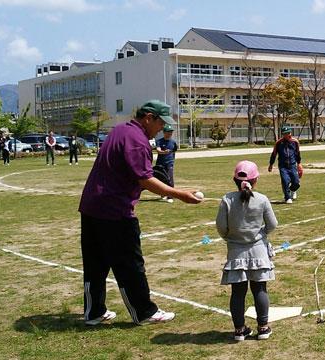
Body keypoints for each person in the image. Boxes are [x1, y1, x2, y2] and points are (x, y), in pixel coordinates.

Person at [78, 99, 202, 327]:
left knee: (95, 264)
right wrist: (179, 194)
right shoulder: (137, 139)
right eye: (160, 123)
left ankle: (94, 312)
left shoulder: (120, 130)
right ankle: (144, 312)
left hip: (91, 207)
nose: (162, 128)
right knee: (130, 263)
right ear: (148, 118)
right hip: (114, 210)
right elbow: (144, 179)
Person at [216, 160, 278, 341]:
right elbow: (272, 224)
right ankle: (263, 327)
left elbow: (221, 227)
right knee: (260, 289)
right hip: (258, 250)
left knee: (238, 292)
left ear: (234, 180)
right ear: (256, 179)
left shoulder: (227, 199)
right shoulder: (262, 199)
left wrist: (231, 237)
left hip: (236, 251)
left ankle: (239, 330)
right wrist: (261, 234)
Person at [268, 125, 301, 204]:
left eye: (288, 133)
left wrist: (299, 163)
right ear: (282, 134)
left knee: (296, 182)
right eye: (285, 133)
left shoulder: (295, 142)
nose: (287, 135)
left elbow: (298, 153)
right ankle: (287, 197)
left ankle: (293, 190)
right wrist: (271, 164)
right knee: (285, 181)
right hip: (283, 166)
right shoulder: (278, 143)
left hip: (292, 165)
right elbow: (274, 154)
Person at [155, 124, 178, 203]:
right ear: (164, 132)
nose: (169, 133)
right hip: (160, 164)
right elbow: (158, 150)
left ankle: (170, 196)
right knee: (160, 180)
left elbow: (174, 152)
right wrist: (164, 152)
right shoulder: (159, 141)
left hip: (169, 163)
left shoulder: (173, 143)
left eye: (171, 132)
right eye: (168, 132)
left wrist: (172, 161)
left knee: (170, 179)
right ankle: (162, 193)